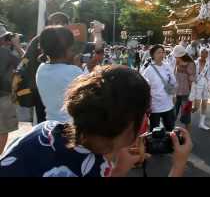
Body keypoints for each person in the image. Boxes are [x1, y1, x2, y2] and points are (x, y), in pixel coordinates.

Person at [0, 66, 192, 177]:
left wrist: (119, 167)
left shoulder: (45, 130)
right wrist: (178, 166)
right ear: (129, 126)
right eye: (145, 113)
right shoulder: (94, 169)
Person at [36, 26, 84, 123]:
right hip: (70, 127)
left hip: (51, 124)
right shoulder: (74, 71)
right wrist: (78, 67)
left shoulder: (41, 69)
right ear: (67, 49)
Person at [141, 45, 177, 132]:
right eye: (158, 52)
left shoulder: (167, 66)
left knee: (170, 129)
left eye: (162, 52)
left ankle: (171, 145)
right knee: (155, 132)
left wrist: (174, 95)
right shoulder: (148, 70)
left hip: (168, 104)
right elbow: (144, 89)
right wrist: (147, 104)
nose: (161, 54)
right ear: (152, 55)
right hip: (155, 107)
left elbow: (174, 82)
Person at [0, 25, 23, 154]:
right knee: (2, 130)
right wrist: (17, 46)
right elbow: (25, 63)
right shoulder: (5, 53)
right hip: (3, 96)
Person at [191, 47, 210, 130]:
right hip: (197, 86)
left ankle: (201, 123)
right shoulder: (195, 63)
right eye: (203, 52)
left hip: (206, 85)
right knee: (196, 107)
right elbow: (190, 74)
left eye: (206, 53)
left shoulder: (209, 64)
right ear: (199, 53)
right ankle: (187, 113)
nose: (204, 54)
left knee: (205, 104)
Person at [172, 45, 195, 132]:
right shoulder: (176, 63)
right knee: (172, 116)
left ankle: (188, 138)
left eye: (176, 56)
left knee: (186, 117)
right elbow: (174, 76)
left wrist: (191, 95)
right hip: (176, 93)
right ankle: (171, 137)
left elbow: (192, 79)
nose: (175, 57)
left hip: (186, 94)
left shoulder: (190, 63)